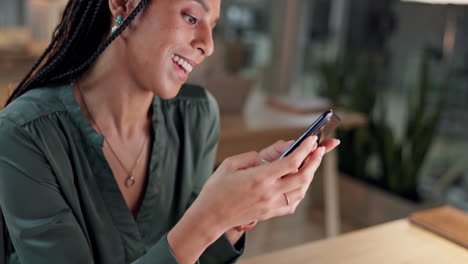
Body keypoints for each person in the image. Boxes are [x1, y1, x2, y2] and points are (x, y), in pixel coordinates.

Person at [0, 0, 340, 263]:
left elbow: (197, 257)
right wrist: (211, 216)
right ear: (123, 4)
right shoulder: (24, 135)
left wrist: (236, 216)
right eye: (191, 17)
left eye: (213, 26)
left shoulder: (196, 116)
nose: (208, 45)